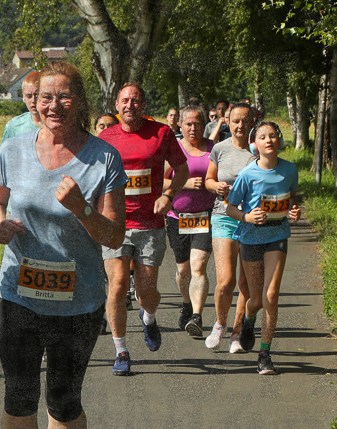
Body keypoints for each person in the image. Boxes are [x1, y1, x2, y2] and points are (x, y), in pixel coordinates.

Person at [0, 61, 126, 429]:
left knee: (63, 400)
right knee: (18, 396)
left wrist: (83, 209)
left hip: (78, 301)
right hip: (18, 294)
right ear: (33, 101)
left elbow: (113, 234)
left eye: (64, 97)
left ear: (80, 102)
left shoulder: (103, 159)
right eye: (46, 97)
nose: (54, 106)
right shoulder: (12, 150)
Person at [98, 83, 188, 376]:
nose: (130, 105)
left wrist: (168, 195)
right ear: (116, 105)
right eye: (125, 100)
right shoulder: (105, 138)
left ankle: (148, 318)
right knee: (118, 285)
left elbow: (182, 168)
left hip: (150, 224)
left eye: (136, 100)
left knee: (148, 291)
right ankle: (121, 350)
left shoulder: (160, 134)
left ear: (144, 104)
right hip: (115, 225)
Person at [225, 120, 301, 374]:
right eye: (262, 137)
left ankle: (265, 354)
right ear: (254, 144)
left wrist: (293, 211)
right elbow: (230, 207)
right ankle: (247, 322)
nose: (268, 140)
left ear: (279, 141)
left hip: (277, 236)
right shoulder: (248, 174)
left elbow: (291, 198)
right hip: (250, 238)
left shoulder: (290, 170)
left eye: (273, 136)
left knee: (271, 295)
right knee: (255, 299)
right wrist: (246, 217)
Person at [204, 102, 255, 352]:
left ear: (252, 122)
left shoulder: (258, 152)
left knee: (245, 284)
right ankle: (220, 324)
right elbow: (208, 180)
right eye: (236, 121)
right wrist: (216, 187)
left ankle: (237, 333)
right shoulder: (219, 149)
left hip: (250, 221)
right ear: (228, 122)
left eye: (245, 120)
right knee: (225, 281)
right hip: (223, 215)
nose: (240, 125)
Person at [165, 106, 215, 337]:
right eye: (188, 124)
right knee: (183, 270)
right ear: (181, 126)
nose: (193, 128)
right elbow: (159, 183)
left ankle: (196, 315)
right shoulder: (173, 150)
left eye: (197, 123)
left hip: (205, 215)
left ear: (204, 125)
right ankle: (186, 303)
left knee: (198, 266)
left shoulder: (213, 150)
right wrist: (183, 184)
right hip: (178, 218)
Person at [2, 71, 42, 142]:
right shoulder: (13, 126)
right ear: (23, 97)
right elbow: (6, 152)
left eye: (37, 95)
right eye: (29, 96)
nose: (33, 100)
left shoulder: (57, 125)